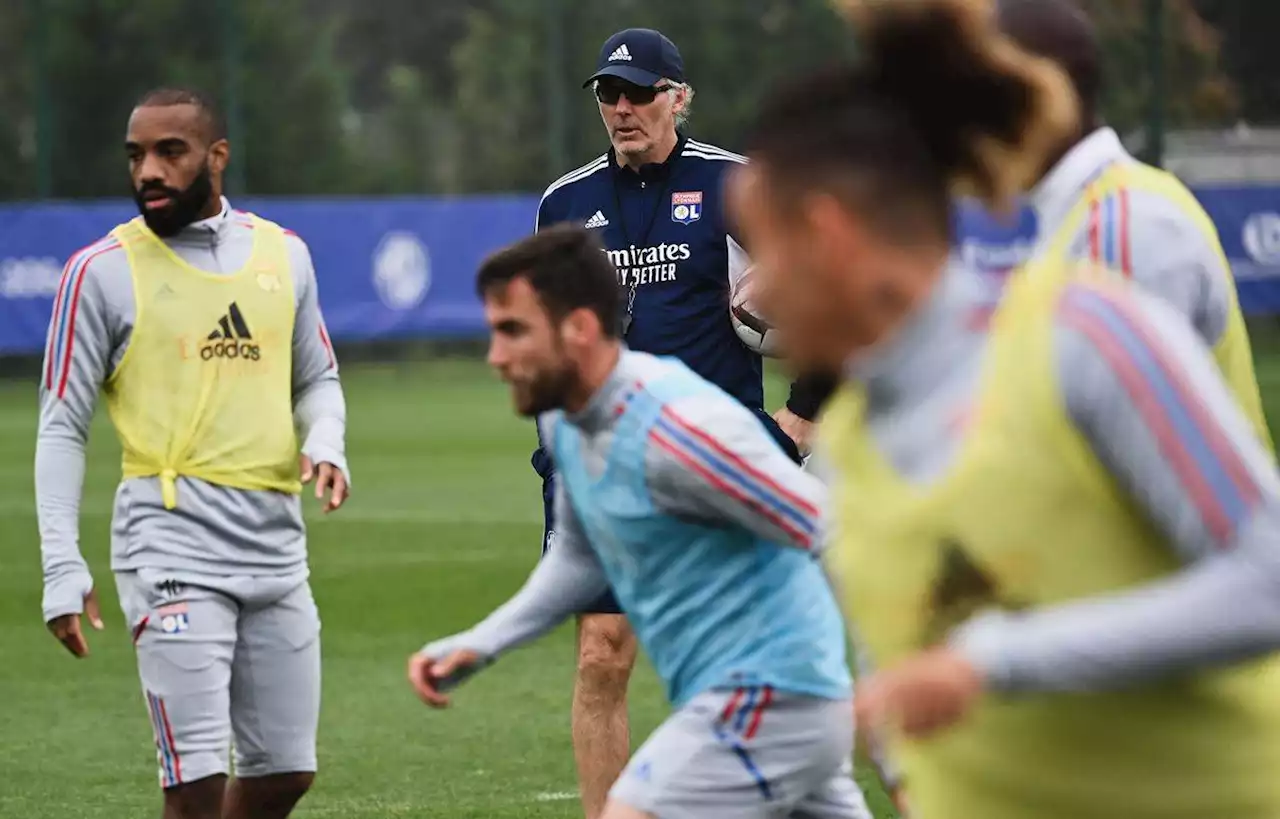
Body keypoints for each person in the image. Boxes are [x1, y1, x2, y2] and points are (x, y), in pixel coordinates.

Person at [729, 1, 1280, 818]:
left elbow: (1267, 580)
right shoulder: (846, 442)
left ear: (830, 235)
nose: (754, 289)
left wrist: (989, 661)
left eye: (763, 248)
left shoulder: (1086, 330)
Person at [407, 225, 872, 819]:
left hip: (769, 700)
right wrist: (481, 643)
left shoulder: (677, 425)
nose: (494, 358)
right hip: (760, 703)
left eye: (512, 332)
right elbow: (578, 558)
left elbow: (826, 524)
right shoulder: (567, 421)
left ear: (576, 330)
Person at [36, 87, 350, 819]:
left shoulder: (286, 256)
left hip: (276, 547)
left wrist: (327, 443)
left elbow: (318, 378)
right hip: (169, 546)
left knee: (285, 773)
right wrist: (61, 563)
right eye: (136, 155)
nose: (148, 169)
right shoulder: (101, 271)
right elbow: (61, 425)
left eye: (169, 152)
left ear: (216, 157)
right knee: (198, 783)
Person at [529, 26, 815, 816]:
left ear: (679, 98)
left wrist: (802, 411)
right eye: (608, 94)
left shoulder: (737, 187)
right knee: (600, 655)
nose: (622, 109)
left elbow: (828, 292)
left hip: (714, 465)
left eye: (640, 93)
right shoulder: (565, 202)